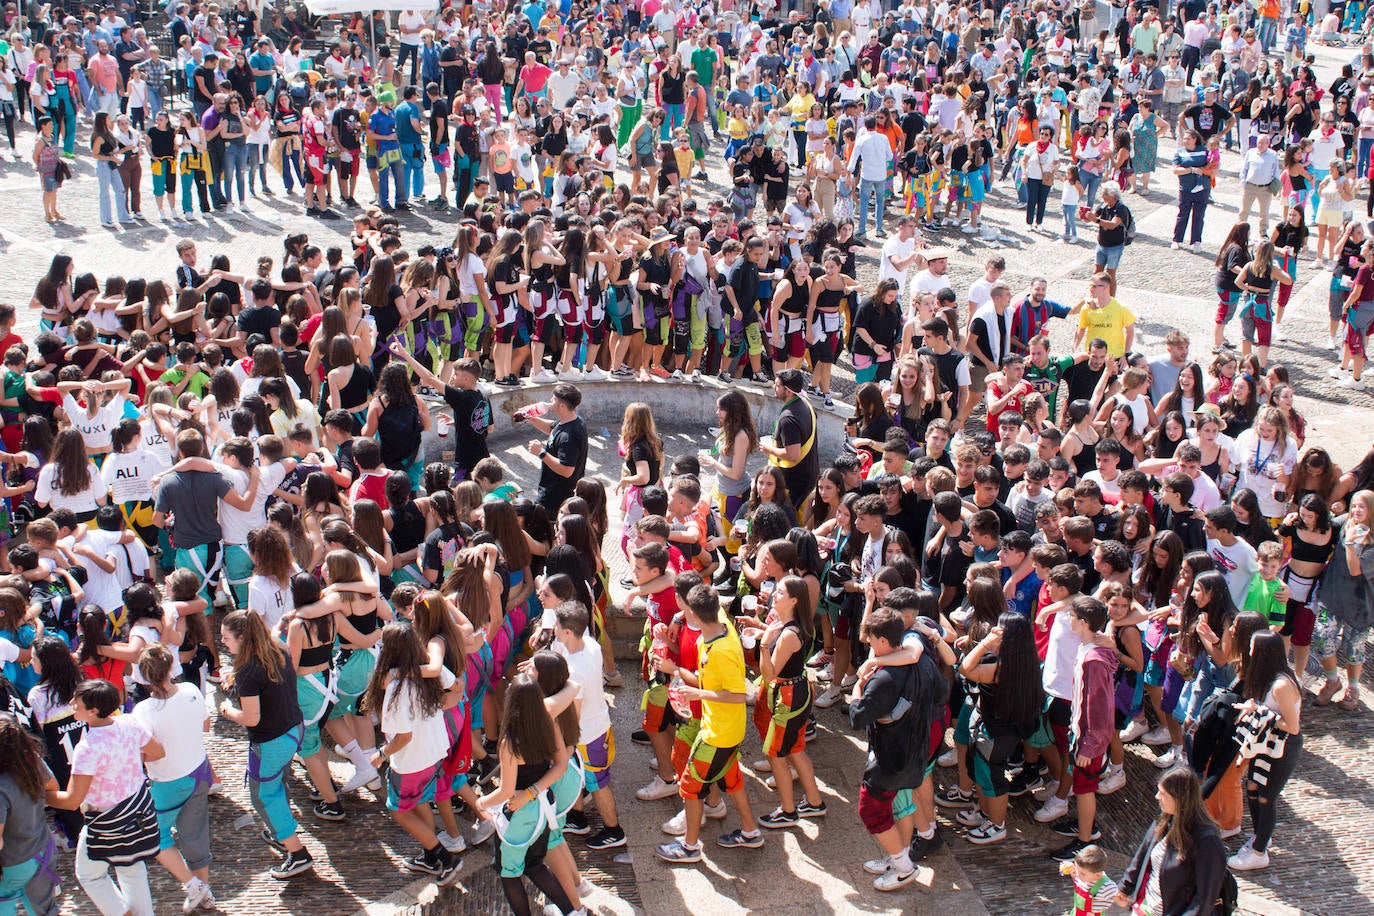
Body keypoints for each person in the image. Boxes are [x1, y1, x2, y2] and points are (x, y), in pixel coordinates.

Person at [46, 679, 163, 916]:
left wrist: (42, 796)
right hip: (137, 812)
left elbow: (71, 800)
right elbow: (158, 752)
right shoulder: (129, 723)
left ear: (93, 711)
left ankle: (121, 913)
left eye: (76, 703)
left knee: (89, 875)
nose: (71, 705)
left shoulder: (87, 748)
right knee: (133, 870)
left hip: (106, 821)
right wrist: (128, 762)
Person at [217, 610, 314, 880]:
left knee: (265, 796)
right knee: (279, 786)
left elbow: (251, 717)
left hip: (270, 742)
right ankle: (282, 833)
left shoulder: (248, 671)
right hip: (293, 730)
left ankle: (296, 853)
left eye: (226, 638)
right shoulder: (278, 648)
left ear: (243, 637)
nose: (223, 642)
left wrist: (226, 710)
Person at [1115, 768, 1228, 913]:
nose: (1156, 797)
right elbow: (1142, 855)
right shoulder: (1164, 818)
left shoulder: (1207, 840)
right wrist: (1125, 887)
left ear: (1179, 799)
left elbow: (1204, 898)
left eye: (1163, 794)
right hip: (1145, 908)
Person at [522, 382, 588, 517]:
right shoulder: (573, 421)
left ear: (562, 406)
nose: (550, 401)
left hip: (555, 497)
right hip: (552, 491)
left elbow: (567, 470)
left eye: (553, 399)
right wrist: (529, 416)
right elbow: (551, 428)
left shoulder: (569, 437)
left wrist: (541, 453)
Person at [760, 369, 819, 512]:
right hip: (808, 474)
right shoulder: (805, 404)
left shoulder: (788, 419)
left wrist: (769, 449)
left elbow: (793, 455)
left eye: (778, 385)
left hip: (794, 484)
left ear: (788, 391)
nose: (774, 387)